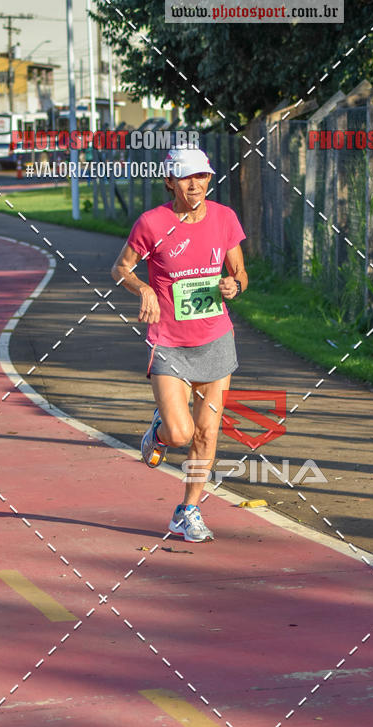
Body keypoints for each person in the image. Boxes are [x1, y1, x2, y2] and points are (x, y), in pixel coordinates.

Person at [111, 147, 248, 542]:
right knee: (180, 433)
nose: (195, 185)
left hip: (216, 341)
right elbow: (120, 268)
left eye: (202, 176)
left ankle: (188, 510)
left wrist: (234, 285)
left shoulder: (224, 218)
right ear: (170, 181)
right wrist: (143, 289)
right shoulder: (152, 223)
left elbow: (240, 272)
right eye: (187, 177)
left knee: (207, 433)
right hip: (170, 344)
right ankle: (159, 433)